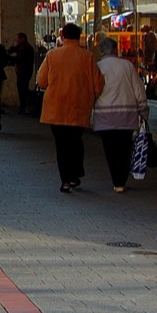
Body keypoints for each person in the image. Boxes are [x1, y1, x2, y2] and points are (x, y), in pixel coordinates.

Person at [36, 23, 104, 193]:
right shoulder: (87, 57)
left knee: (61, 145)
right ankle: (75, 174)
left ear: (63, 36)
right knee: (75, 141)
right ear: (79, 36)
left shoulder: (52, 55)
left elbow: (42, 81)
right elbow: (98, 85)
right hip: (79, 107)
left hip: (56, 107)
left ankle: (65, 180)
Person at [94, 36, 149, 192]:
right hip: (127, 114)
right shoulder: (127, 66)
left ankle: (116, 180)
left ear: (100, 51)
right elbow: (139, 90)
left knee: (110, 149)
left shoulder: (97, 67)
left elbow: (93, 91)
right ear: (116, 49)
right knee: (125, 148)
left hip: (105, 116)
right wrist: (143, 110)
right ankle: (121, 180)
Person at [7, 32, 36, 115]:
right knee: (22, 88)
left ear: (22, 38)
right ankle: (23, 106)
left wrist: (8, 57)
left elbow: (18, 58)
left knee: (22, 89)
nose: (16, 40)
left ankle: (23, 106)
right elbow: (13, 50)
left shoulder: (25, 47)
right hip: (24, 71)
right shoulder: (23, 46)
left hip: (24, 71)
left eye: (17, 39)